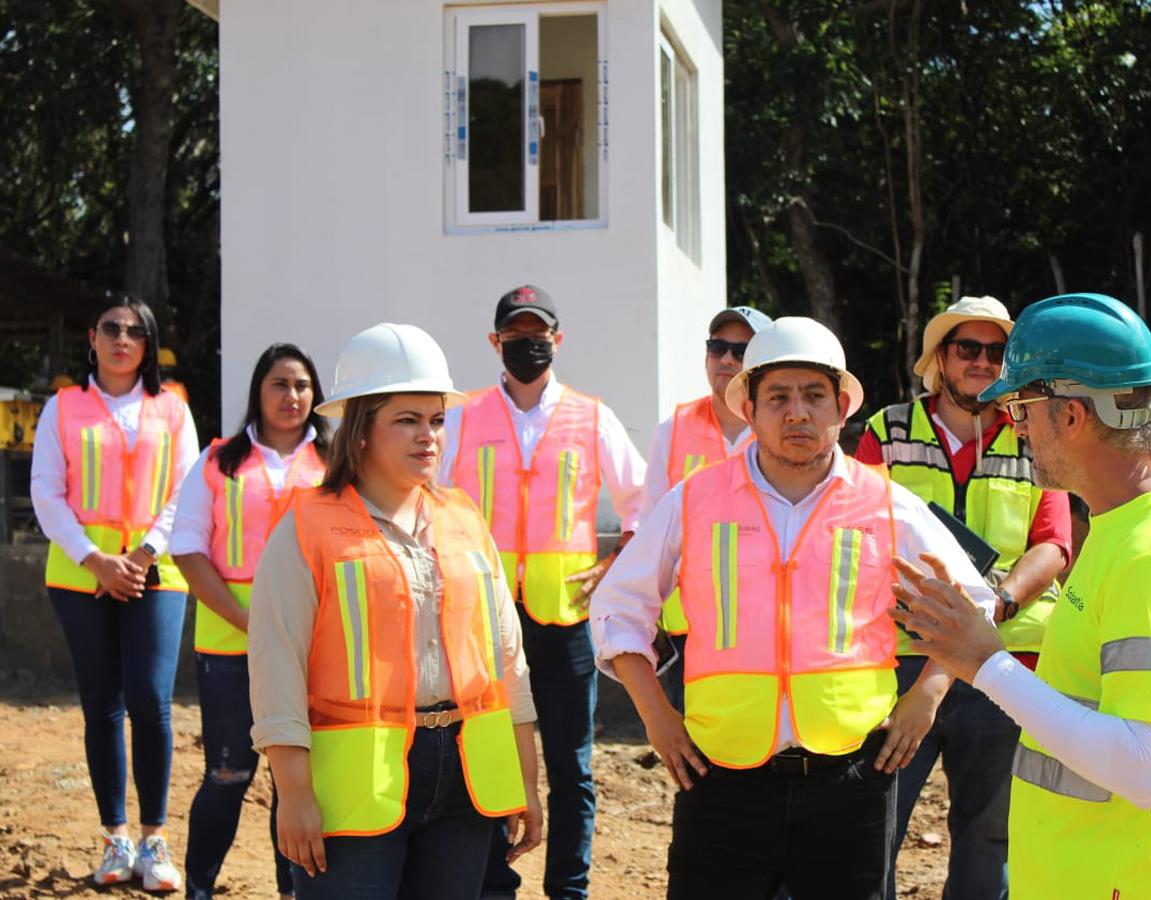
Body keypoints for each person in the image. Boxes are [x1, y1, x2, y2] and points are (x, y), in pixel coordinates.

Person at [589, 317, 997, 900]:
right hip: (721, 778)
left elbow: (973, 601)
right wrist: (655, 715)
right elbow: (618, 609)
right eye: (778, 397)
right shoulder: (697, 499)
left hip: (852, 780)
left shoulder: (886, 503)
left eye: (814, 396)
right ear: (749, 410)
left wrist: (927, 697)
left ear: (842, 408)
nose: (797, 413)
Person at [891, 293, 1151, 899]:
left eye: (1021, 405)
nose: (1016, 425)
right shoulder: (1125, 529)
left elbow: (1144, 767)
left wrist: (986, 663)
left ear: (1073, 416)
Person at [248, 323, 542, 900]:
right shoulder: (306, 527)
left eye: (435, 419)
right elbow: (276, 665)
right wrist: (295, 793)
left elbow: (509, 660)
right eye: (406, 420)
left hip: (466, 779)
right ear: (359, 431)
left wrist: (527, 782)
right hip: (355, 793)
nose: (428, 436)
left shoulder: (464, 518)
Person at [856, 296, 1071, 899]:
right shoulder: (886, 431)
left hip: (1002, 663)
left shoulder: (1037, 436)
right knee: (876, 825)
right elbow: (854, 534)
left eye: (996, 352)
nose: (981, 361)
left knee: (988, 836)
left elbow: (1053, 546)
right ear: (940, 358)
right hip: (897, 660)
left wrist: (992, 606)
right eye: (967, 348)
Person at [438, 284, 644, 900]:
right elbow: (432, 499)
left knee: (571, 766)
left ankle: (569, 889)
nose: (529, 343)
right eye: (516, 334)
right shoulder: (465, 414)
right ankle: (494, 882)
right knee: (490, 750)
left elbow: (642, 502)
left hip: (565, 618)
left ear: (558, 338)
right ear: (495, 341)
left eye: (539, 332)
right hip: (484, 618)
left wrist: (614, 563)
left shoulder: (591, 415)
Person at [30, 292, 199, 891]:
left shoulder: (173, 410)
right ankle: (115, 839)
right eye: (111, 328)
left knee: (151, 702)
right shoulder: (63, 407)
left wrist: (143, 554)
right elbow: (47, 492)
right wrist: (97, 560)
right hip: (82, 577)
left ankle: (156, 841)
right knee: (102, 704)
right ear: (93, 339)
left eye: (135, 330)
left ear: (148, 345)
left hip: (156, 574)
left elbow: (186, 489)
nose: (122, 338)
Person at [170, 343, 329, 900]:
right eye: (279, 384)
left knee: (297, 779)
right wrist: (245, 618)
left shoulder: (336, 466)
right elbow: (188, 548)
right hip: (229, 644)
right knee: (230, 774)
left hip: (314, 649)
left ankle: (293, 891)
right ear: (258, 392)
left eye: (302, 386)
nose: (292, 396)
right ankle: (198, 888)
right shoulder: (218, 461)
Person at [640, 305, 771, 710]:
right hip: (691, 626)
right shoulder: (673, 429)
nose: (728, 359)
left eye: (741, 350)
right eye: (718, 348)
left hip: (766, 622)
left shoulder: (783, 428)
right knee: (695, 751)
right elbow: (651, 531)